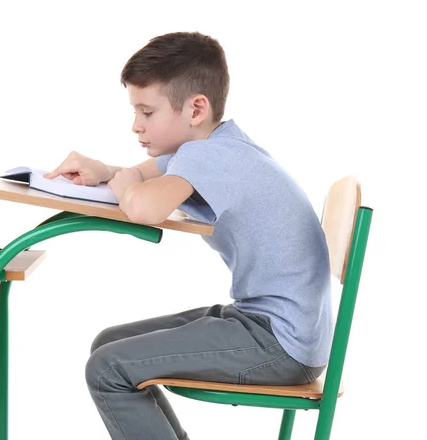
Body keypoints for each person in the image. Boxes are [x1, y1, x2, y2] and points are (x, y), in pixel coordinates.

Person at [44, 31, 331, 440]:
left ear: (196, 108)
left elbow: (143, 207)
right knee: (110, 344)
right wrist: (109, 173)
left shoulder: (213, 156)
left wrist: (126, 186)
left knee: (109, 368)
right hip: (274, 328)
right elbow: (143, 177)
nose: (135, 125)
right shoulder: (217, 146)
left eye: (146, 112)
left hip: (278, 344)